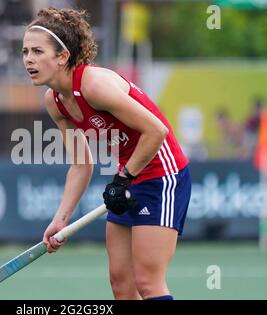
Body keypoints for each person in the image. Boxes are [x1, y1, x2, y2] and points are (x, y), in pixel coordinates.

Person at [22, 7, 191, 300]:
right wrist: (61, 219)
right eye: (25, 51)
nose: (28, 59)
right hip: (130, 176)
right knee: (121, 286)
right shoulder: (55, 102)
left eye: (37, 51)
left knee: (147, 282)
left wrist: (124, 177)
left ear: (62, 56)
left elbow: (157, 131)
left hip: (163, 175)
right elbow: (81, 163)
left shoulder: (94, 86)